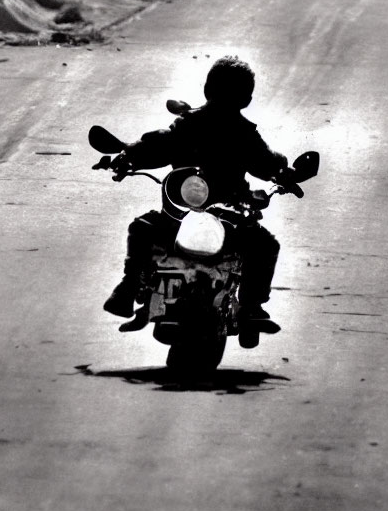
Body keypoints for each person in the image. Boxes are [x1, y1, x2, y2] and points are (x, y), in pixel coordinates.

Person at [103, 55, 293, 347]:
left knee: (142, 228)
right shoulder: (235, 132)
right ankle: (251, 306)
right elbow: (267, 163)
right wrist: (284, 171)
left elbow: (157, 147)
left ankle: (129, 287)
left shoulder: (194, 125)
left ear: (207, 89)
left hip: (195, 215)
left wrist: (128, 156)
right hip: (214, 215)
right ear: (247, 98)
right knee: (264, 245)